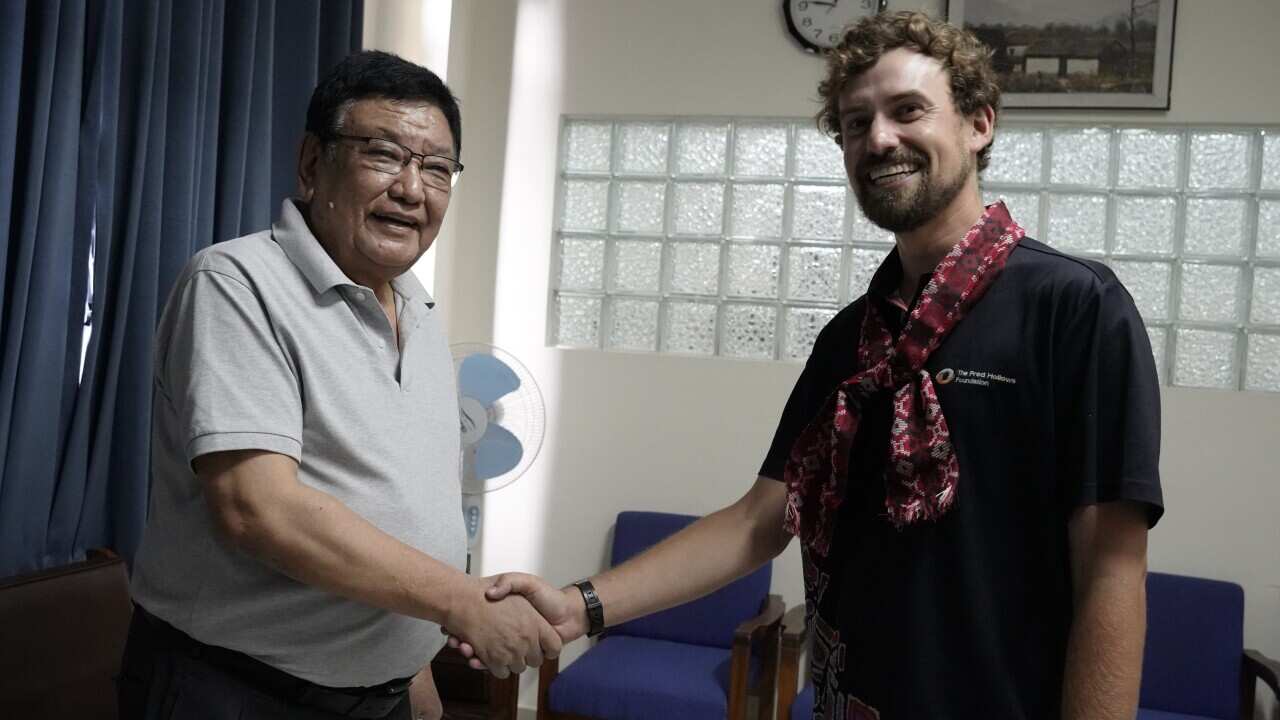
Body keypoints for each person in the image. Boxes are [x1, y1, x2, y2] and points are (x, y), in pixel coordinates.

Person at [456, 12, 1163, 720]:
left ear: (980, 124)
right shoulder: (853, 341)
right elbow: (759, 521)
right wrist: (580, 606)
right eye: (855, 124)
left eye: (907, 110)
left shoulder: (1075, 308)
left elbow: (1110, 567)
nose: (879, 138)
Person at [120, 51, 560, 720]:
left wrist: (409, 666)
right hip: (237, 689)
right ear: (310, 162)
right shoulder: (236, 284)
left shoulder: (419, 309)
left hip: (379, 693)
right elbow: (256, 508)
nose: (413, 190)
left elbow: (404, 503)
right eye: (385, 156)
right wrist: (459, 602)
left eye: (438, 169)